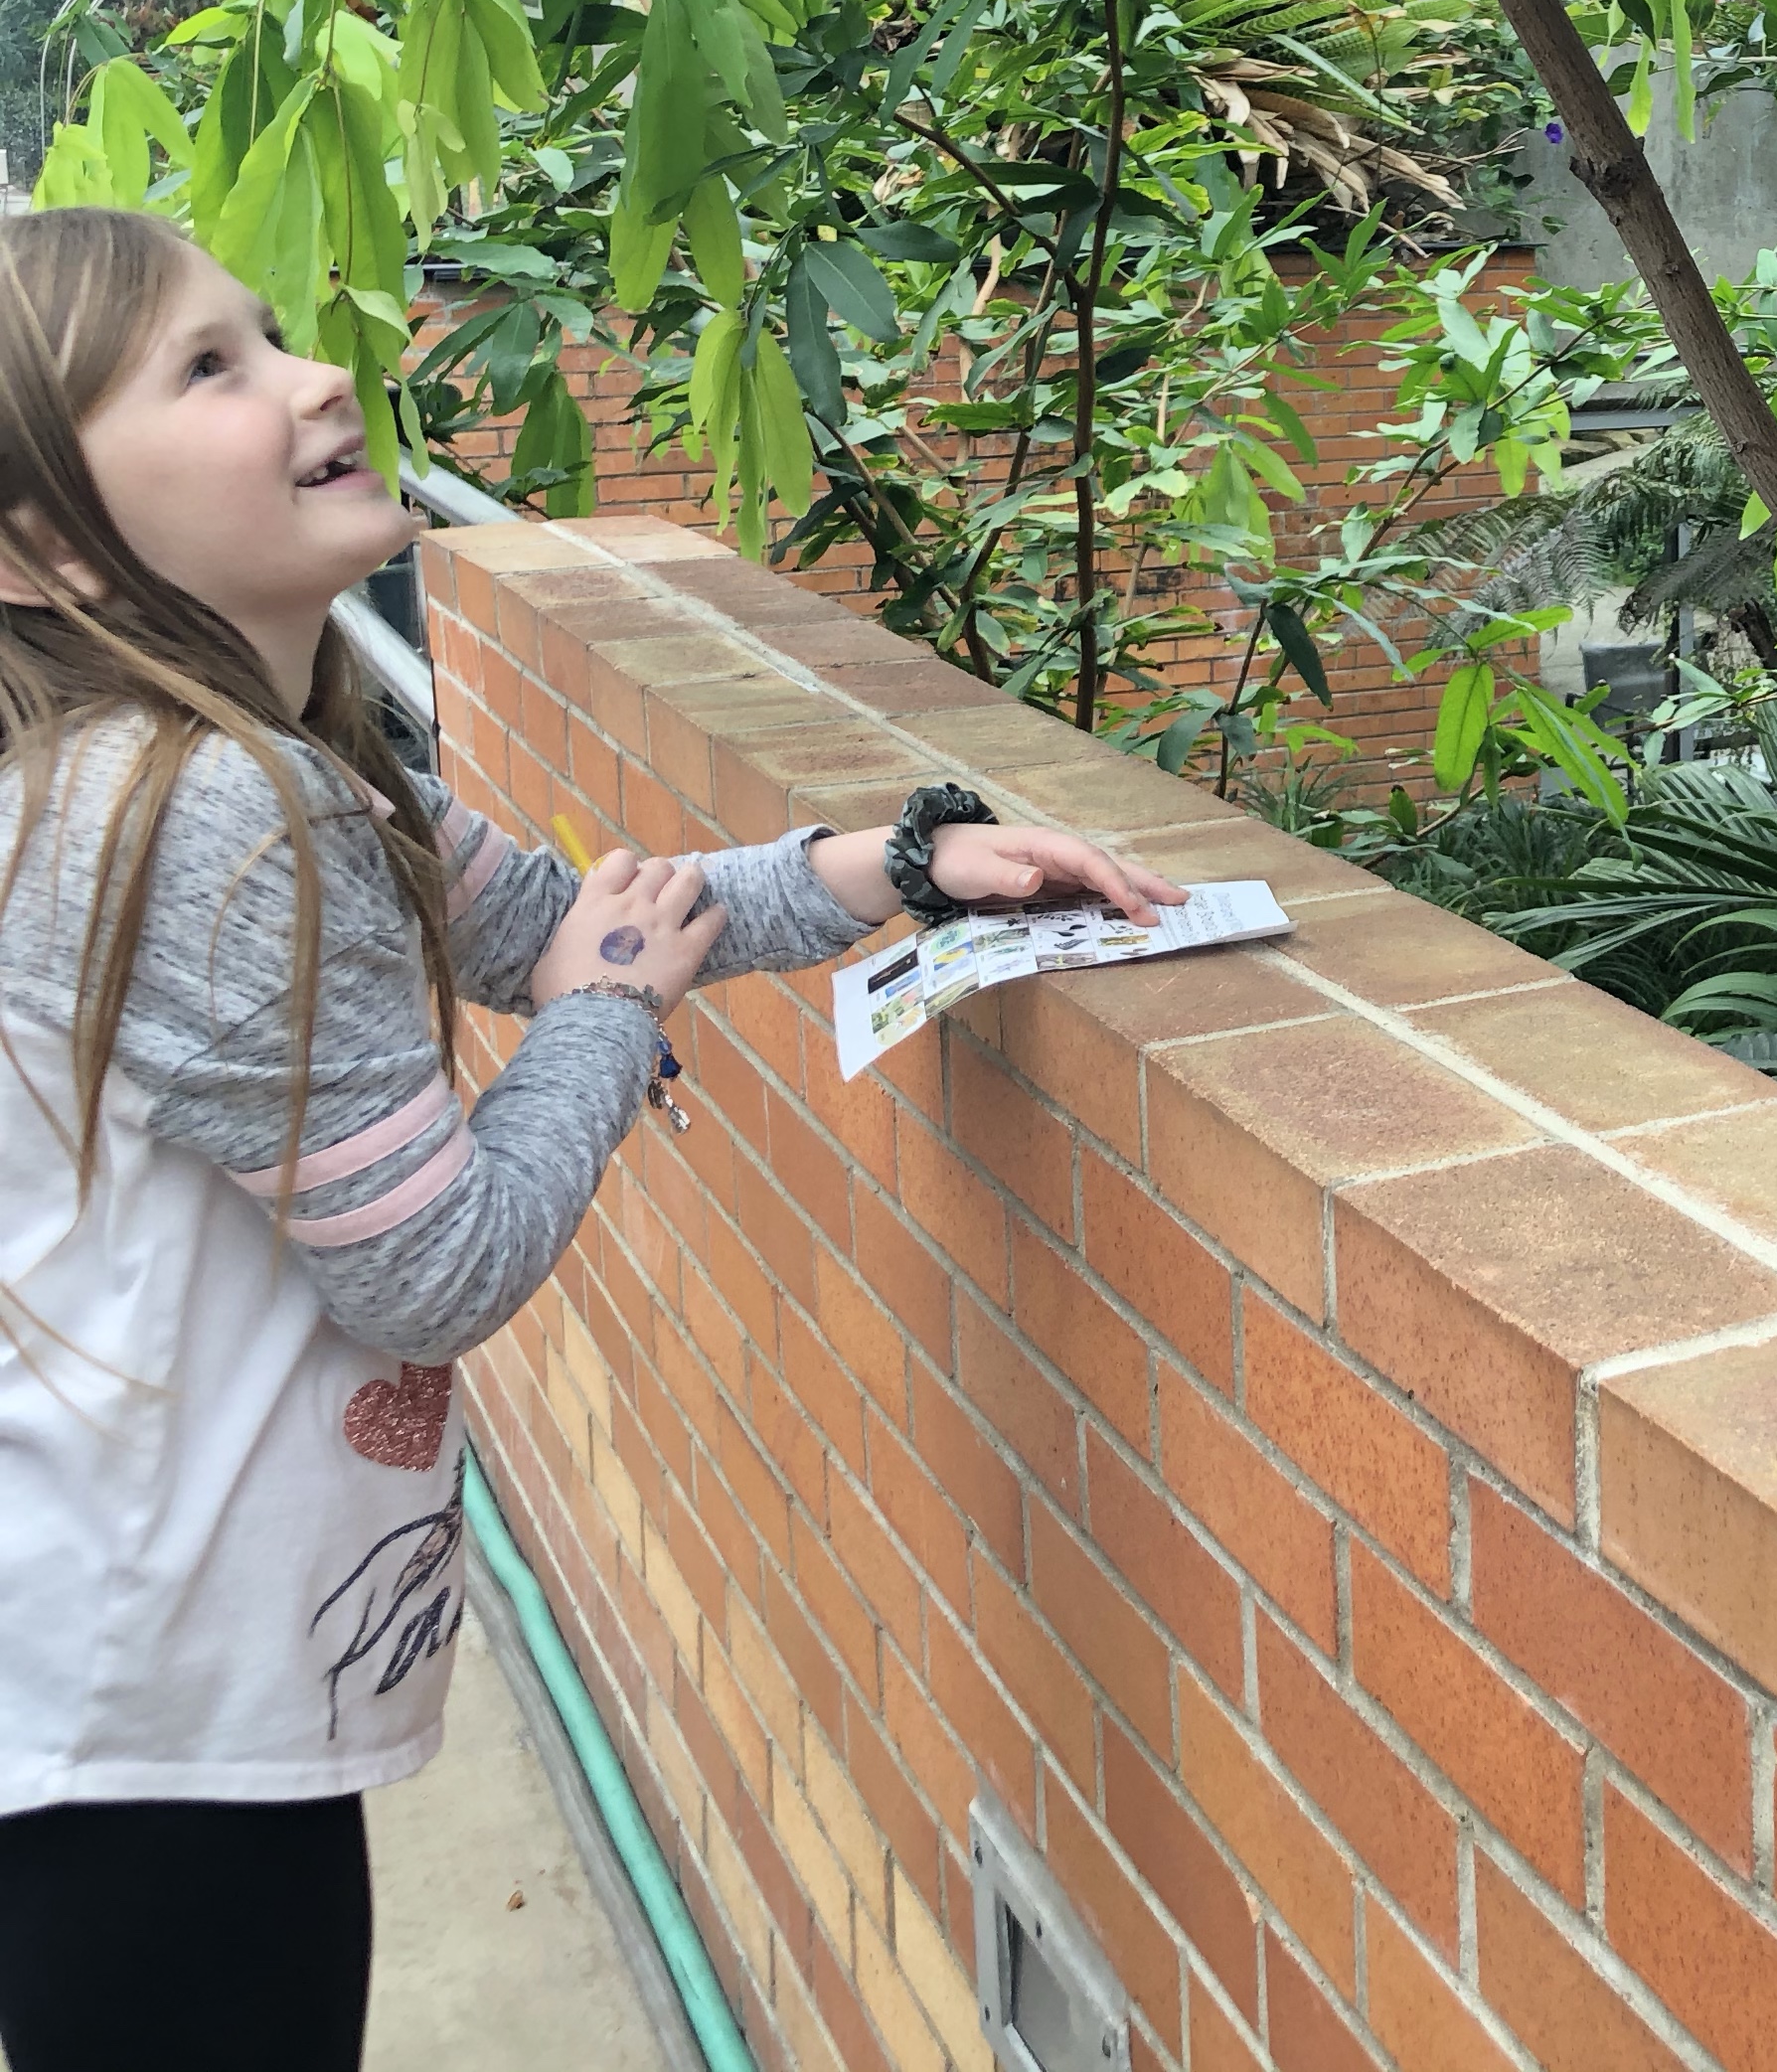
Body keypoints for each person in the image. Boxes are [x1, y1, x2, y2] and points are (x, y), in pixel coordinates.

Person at [0, 210, 1182, 2072]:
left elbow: (571, 923)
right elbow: (433, 1263)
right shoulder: (204, 816)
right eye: (208, 369)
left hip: (129, 1664)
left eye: (273, 328)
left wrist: (901, 863)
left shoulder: (259, 763)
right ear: (47, 547)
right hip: (138, 1716)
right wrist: (607, 1016)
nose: (317, 378)